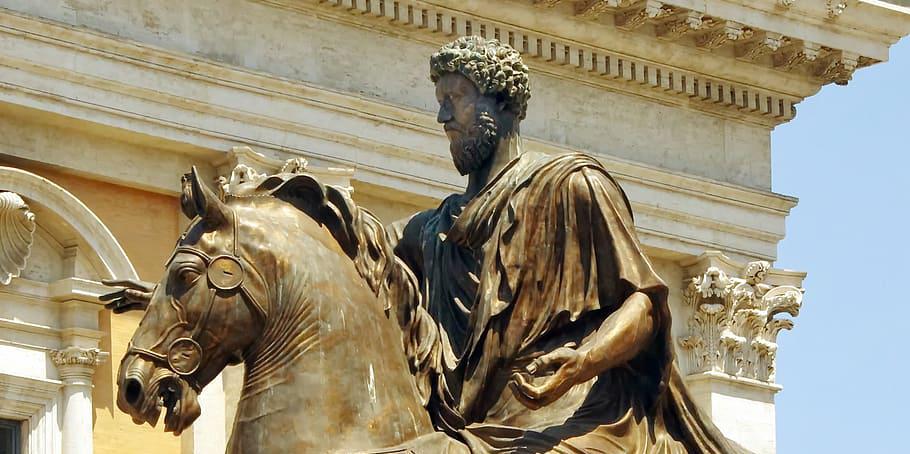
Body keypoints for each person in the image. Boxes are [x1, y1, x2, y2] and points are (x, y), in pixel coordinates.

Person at [386, 36, 743, 453]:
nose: (443, 116)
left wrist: (583, 362)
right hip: (473, 424)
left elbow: (643, 306)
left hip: (575, 417)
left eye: (457, 97)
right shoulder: (432, 231)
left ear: (503, 104)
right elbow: (367, 252)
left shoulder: (572, 186)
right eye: (440, 99)